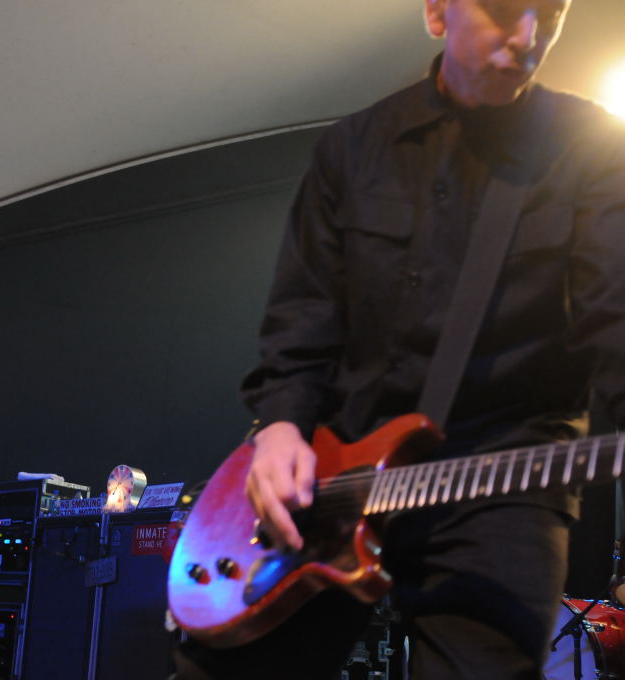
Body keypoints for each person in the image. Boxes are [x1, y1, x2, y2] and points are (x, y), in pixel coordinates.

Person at [174, 0, 625, 678]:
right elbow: (304, 311)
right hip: (334, 469)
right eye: (504, 8)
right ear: (438, 12)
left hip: (501, 477)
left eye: (551, 9)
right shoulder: (354, 147)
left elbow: (615, 315)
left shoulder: (592, 147)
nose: (529, 35)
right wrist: (280, 428)